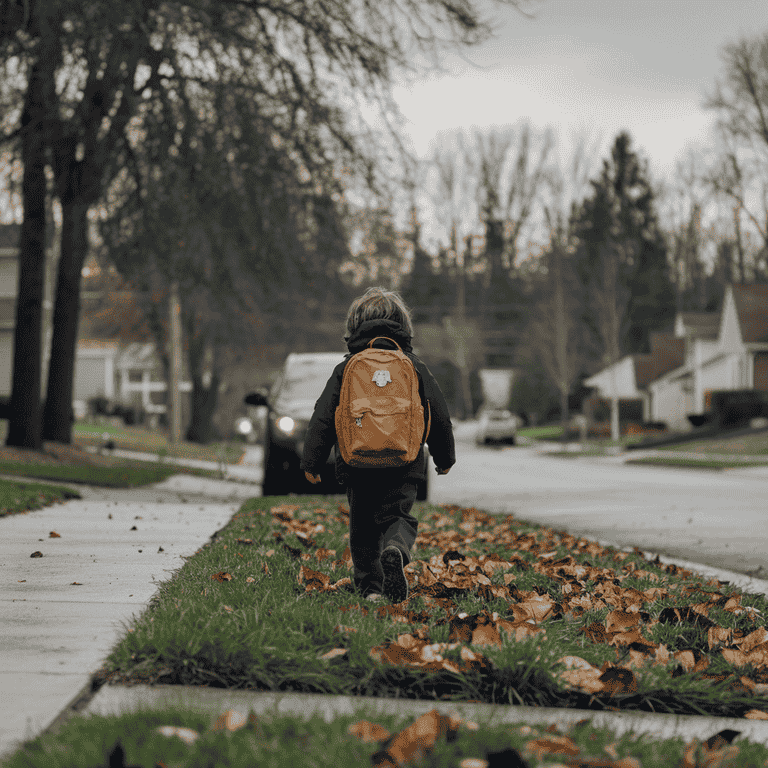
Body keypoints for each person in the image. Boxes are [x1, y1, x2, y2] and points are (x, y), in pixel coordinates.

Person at [300, 286, 456, 603]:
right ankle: (396, 549)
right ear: (405, 328)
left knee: (362, 527)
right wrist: (444, 456)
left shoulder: (347, 368)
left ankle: (371, 588)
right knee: (398, 516)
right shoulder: (413, 366)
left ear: (354, 328)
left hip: (357, 463)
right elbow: (437, 413)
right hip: (405, 461)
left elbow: (324, 416)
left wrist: (312, 461)